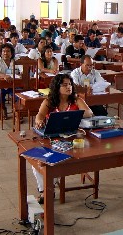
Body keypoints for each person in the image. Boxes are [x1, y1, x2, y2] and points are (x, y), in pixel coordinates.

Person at [33, 74, 93, 203]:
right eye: (64, 85)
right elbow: (39, 115)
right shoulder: (49, 101)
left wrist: (72, 115)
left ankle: (48, 189)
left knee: (56, 160)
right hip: (53, 139)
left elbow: (89, 113)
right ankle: (45, 190)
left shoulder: (76, 100)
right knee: (38, 161)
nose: (68, 87)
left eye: (70, 84)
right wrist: (39, 121)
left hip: (73, 139)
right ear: (57, 87)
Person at [0, 43, 18, 120]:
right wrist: (4, 76)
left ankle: (17, 111)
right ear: (1, 52)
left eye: (8, 51)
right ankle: (3, 108)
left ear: (12, 53)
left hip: (12, 84)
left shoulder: (15, 61)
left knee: (18, 97)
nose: (6, 53)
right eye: (4, 51)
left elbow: (22, 71)